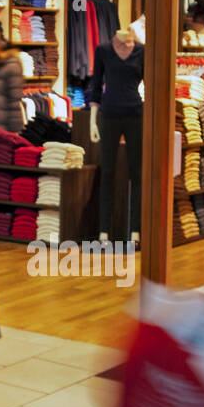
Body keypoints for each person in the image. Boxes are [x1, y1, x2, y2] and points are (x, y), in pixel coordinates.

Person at [87, 27, 144, 247]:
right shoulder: (103, 50)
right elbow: (96, 86)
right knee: (107, 172)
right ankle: (103, 232)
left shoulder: (142, 51)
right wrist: (92, 120)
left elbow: (149, 83)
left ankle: (135, 232)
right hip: (109, 115)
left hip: (135, 115)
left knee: (136, 173)